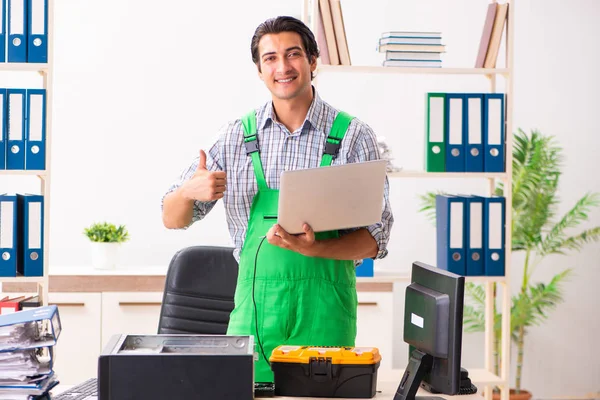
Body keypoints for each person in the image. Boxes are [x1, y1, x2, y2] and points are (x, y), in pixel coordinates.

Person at [161, 15, 393, 383]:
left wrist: (313, 249)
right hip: (254, 318)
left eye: (293, 54)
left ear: (313, 62)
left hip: (326, 318)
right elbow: (172, 218)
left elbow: (374, 240)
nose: (282, 67)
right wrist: (189, 192)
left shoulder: (353, 137)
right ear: (259, 70)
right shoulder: (235, 138)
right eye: (270, 58)